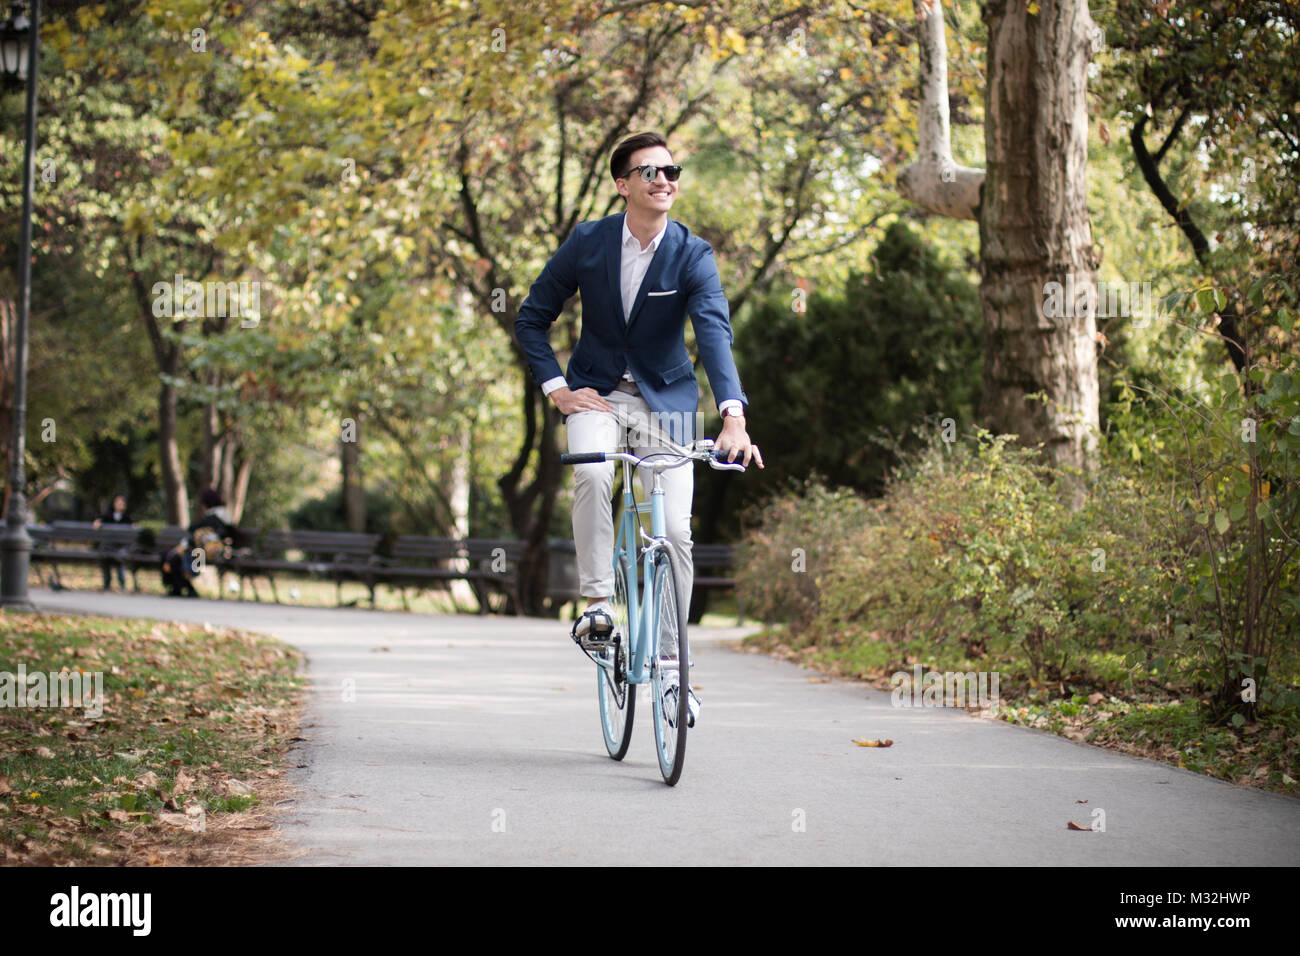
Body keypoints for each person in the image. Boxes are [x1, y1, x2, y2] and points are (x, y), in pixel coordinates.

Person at [514, 131, 764, 721]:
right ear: (622, 184)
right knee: (594, 476)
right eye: (648, 172)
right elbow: (531, 319)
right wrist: (558, 391)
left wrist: (734, 415)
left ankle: (676, 673)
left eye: (671, 170)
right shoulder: (588, 242)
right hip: (595, 396)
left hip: (670, 404)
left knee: (675, 530)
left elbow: (714, 334)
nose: (663, 180)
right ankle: (598, 606)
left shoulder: (693, 254)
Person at [162, 488, 235, 597]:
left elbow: (193, 529)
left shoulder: (215, 518)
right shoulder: (223, 516)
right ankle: (180, 588)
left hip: (207, 554)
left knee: (175, 558)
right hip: (202, 552)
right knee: (169, 556)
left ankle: (184, 589)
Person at [93, 494, 133, 591]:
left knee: (120, 557)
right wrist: (97, 522)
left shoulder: (127, 518)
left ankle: (122, 583)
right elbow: (98, 521)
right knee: (105, 555)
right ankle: (107, 584)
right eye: (117, 503)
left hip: (120, 547)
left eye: (121, 503)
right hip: (108, 547)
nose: (119, 505)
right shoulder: (107, 516)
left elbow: (132, 530)